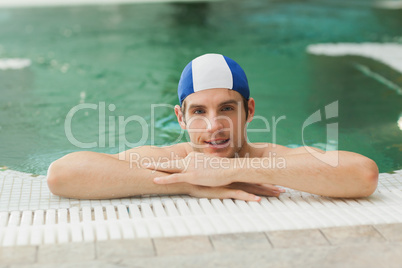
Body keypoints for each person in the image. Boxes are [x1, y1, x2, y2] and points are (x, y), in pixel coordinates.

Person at [47, 53, 379, 201]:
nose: (213, 125)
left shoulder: (274, 157)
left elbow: (363, 174)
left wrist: (238, 171)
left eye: (226, 108)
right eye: (198, 112)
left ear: (249, 110)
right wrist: (190, 183)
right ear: (180, 118)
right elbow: (62, 174)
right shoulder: (168, 160)